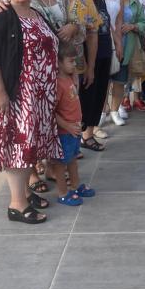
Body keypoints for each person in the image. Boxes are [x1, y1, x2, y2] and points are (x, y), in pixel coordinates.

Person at [0, 0, 61, 224]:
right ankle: (17, 205)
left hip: (41, 96)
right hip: (19, 96)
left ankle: (25, 192)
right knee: (19, 147)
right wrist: (0, 92)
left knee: (32, 145)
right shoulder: (0, 17)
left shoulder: (37, 14)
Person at [53, 41, 96, 205]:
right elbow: (52, 111)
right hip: (65, 132)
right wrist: (67, 126)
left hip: (74, 130)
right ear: (58, 62)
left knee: (72, 160)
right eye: (70, 61)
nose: (74, 64)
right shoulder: (58, 83)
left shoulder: (69, 78)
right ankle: (63, 193)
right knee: (60, 163)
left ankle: (76, 186)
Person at [78, 0, 114, 152]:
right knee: (86, 96)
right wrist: (87, 64)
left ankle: (88, 135)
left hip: (104, 51)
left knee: (99, 94)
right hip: (87, 55)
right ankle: (78, 137)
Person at [108, 0, 145, 126]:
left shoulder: (135, 2)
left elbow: (144, 23)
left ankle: (115, 110)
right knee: (105, 82)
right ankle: (103, 112)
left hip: (126, 47)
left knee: (120, 81)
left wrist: (133, 26)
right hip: (108, 44)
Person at [56, 0, 102, 87]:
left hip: (74, 64)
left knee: (71, 98)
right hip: (47, 60)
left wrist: (91, 68)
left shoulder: (86, 0)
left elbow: (92, 35)